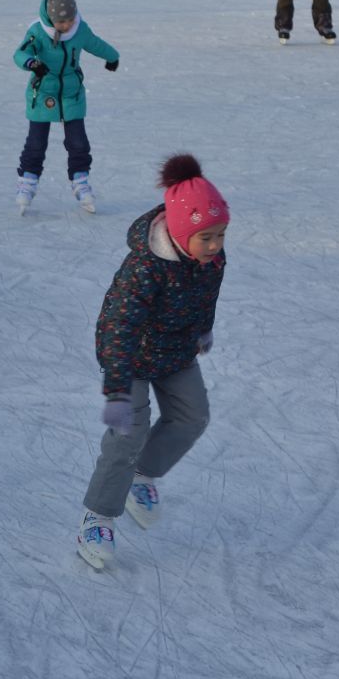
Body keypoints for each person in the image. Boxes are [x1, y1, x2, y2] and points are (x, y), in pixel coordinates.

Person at [76, 153, 230, 569]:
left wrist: (203, 328)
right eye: (207, 237)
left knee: (193, 416)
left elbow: (206, 295)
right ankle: (99, 516)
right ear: (181, 234)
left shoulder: (211, 259)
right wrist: (117, 392)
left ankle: (142, 475)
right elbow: (117, 329)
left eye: (220, 234)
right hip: (132, 358)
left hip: (176, 350)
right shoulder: (144, 269)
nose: (216, 245)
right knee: (129, 432)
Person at [11, 0, 119, 215]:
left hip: (72, 93)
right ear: (50, 17)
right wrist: (32, 63)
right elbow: (20, 53)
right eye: (61, 22)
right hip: (42, 94)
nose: (66, 25)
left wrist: (112, 56)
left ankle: (81, 181)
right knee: (36, 143)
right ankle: (27, 182)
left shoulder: (79, 30)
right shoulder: (37, 32)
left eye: (69, 19)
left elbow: (95, 43)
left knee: (78, 142)